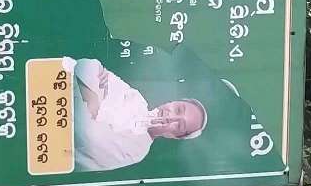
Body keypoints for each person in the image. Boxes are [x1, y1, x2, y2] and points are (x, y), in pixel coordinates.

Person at [65, 57, 208, 171]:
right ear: (172, 102)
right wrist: (92, 106)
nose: (170, 117)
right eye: (178, 109)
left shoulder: (138, 150)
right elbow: (87, 65)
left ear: (174, 136)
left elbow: (87, 135)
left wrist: (92, 97)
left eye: (179, 125)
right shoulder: (137, 99)